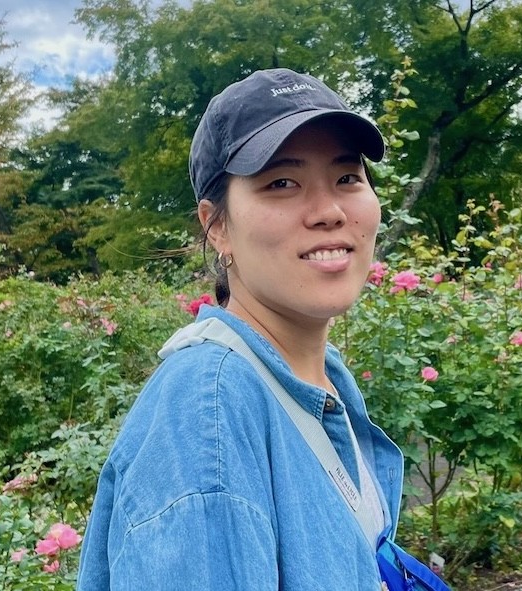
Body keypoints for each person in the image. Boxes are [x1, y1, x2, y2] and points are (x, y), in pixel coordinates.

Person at [75, 68, 408, 590]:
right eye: (281, 182)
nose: (329, 211)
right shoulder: (208, 412)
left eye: (347, 177)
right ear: (218, 226)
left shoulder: (319, 380)